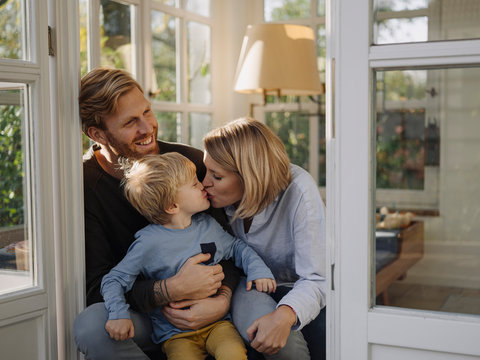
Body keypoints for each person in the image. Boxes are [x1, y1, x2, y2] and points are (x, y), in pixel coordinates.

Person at [74, 66, 240, 360]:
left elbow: (231, 245)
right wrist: (168, 290)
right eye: (130, 122)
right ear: (97, 133)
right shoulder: (84, 186)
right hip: (145, 315)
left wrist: (222, 299)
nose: (147, 128)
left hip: (212, 305)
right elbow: (97, 288)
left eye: (147, 112)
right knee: (90, 327)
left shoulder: (188, 163)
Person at [101, 152, 276, 360]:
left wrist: (258, 270)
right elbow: (114, 280)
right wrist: (118, 314)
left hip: (218, 325)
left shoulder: (208, 226)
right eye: (194, 184)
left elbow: (238, 248)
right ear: (172, 206)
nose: (203, 185)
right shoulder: (147, 243)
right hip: (175, 336)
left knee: (233, 354)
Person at [198, 118, 327, 360]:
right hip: (249, 286)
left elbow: (317, 278)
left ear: (250, 176)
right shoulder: (213, 201)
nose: (205, 183)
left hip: (300, 287)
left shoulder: (299, 191)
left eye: (216, 176)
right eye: (207, 171)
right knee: (266, 341)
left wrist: (285, 314)